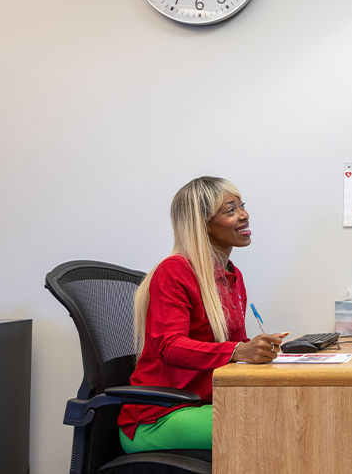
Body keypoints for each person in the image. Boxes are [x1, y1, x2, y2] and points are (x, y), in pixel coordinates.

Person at [117, 176, 288, 452]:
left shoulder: (232, 276)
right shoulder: (175, 271)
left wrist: (259, 352)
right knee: (275, 425)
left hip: (203, 404)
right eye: (231, 210)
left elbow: (233, 349)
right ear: (203, 224)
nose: (244, 215)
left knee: (289, 410)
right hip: (159, 418)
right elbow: (169, 346)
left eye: (241, 206)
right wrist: (238, 351)